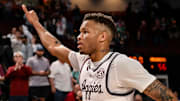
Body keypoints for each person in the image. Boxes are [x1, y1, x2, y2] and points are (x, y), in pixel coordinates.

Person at [22, 4, 178, 101]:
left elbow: (168, 98)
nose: (78, 36)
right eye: (79, 32)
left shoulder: (121, 64)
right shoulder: (82, 61)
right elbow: (53, 46)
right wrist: (36, 23)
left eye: (85, 32)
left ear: (102, 37)